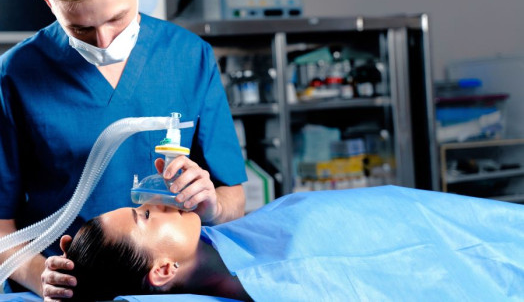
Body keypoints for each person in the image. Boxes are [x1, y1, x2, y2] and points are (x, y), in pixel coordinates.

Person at [0, 0, 247, 297]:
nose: (103, 41)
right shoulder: (12, 77)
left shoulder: (189, 58)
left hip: (167, 290)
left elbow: (234, 197)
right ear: (48, 2)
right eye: (82, 28)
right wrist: (42, 276)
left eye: (117, 19)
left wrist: (211, 206)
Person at [56, 185, 524, 301]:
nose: (155, 204)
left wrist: (214, 203)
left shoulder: (225, 237)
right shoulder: (280, 280)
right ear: (162, 272)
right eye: (143, 217)